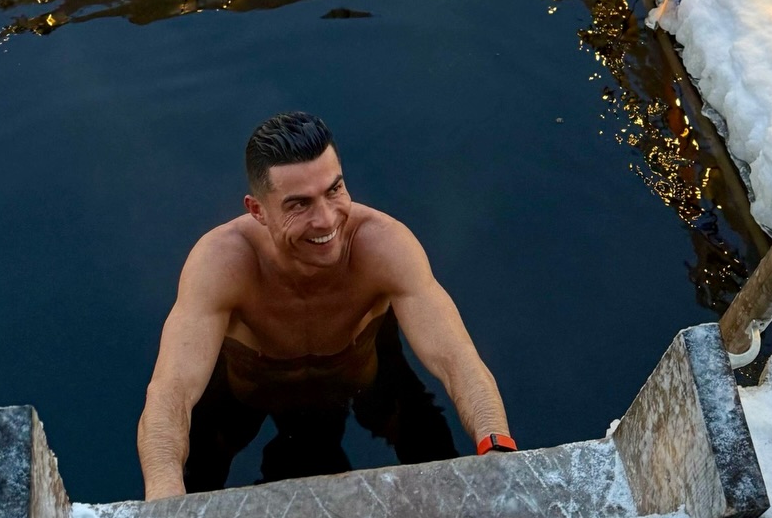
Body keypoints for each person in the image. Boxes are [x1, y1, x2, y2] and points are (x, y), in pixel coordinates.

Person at [138, 111, 516, 496]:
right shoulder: (223, 262)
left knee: (426, 439)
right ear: (257, 211)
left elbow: (456, 359)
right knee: (199, 464)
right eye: (299, 205)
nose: (326, 220)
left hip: (365, 386)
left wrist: (497, 448)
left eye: (334, 190)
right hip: (247, 398)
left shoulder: (381, 245)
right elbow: (173, 390)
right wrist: (164, 500)